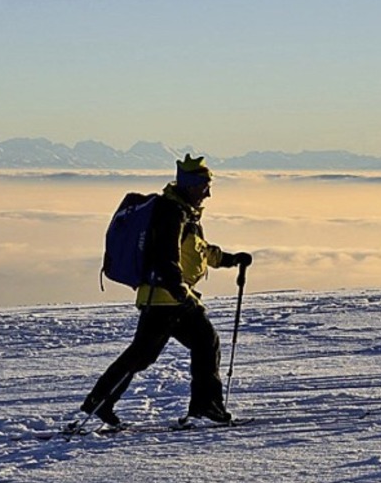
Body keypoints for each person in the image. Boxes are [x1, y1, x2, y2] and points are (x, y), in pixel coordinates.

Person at [79, 154, 252, 428]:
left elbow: (198, 252)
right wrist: (179, 288)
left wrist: (232, 259)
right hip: (168, 297)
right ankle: (206, 406)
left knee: (143, 354)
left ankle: (99, 401)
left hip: (162, 296)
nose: (208, 193)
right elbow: (166, 255)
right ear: (190, 185)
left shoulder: (183, 212)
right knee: (205, 342)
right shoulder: (172, 213)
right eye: (204, 186)